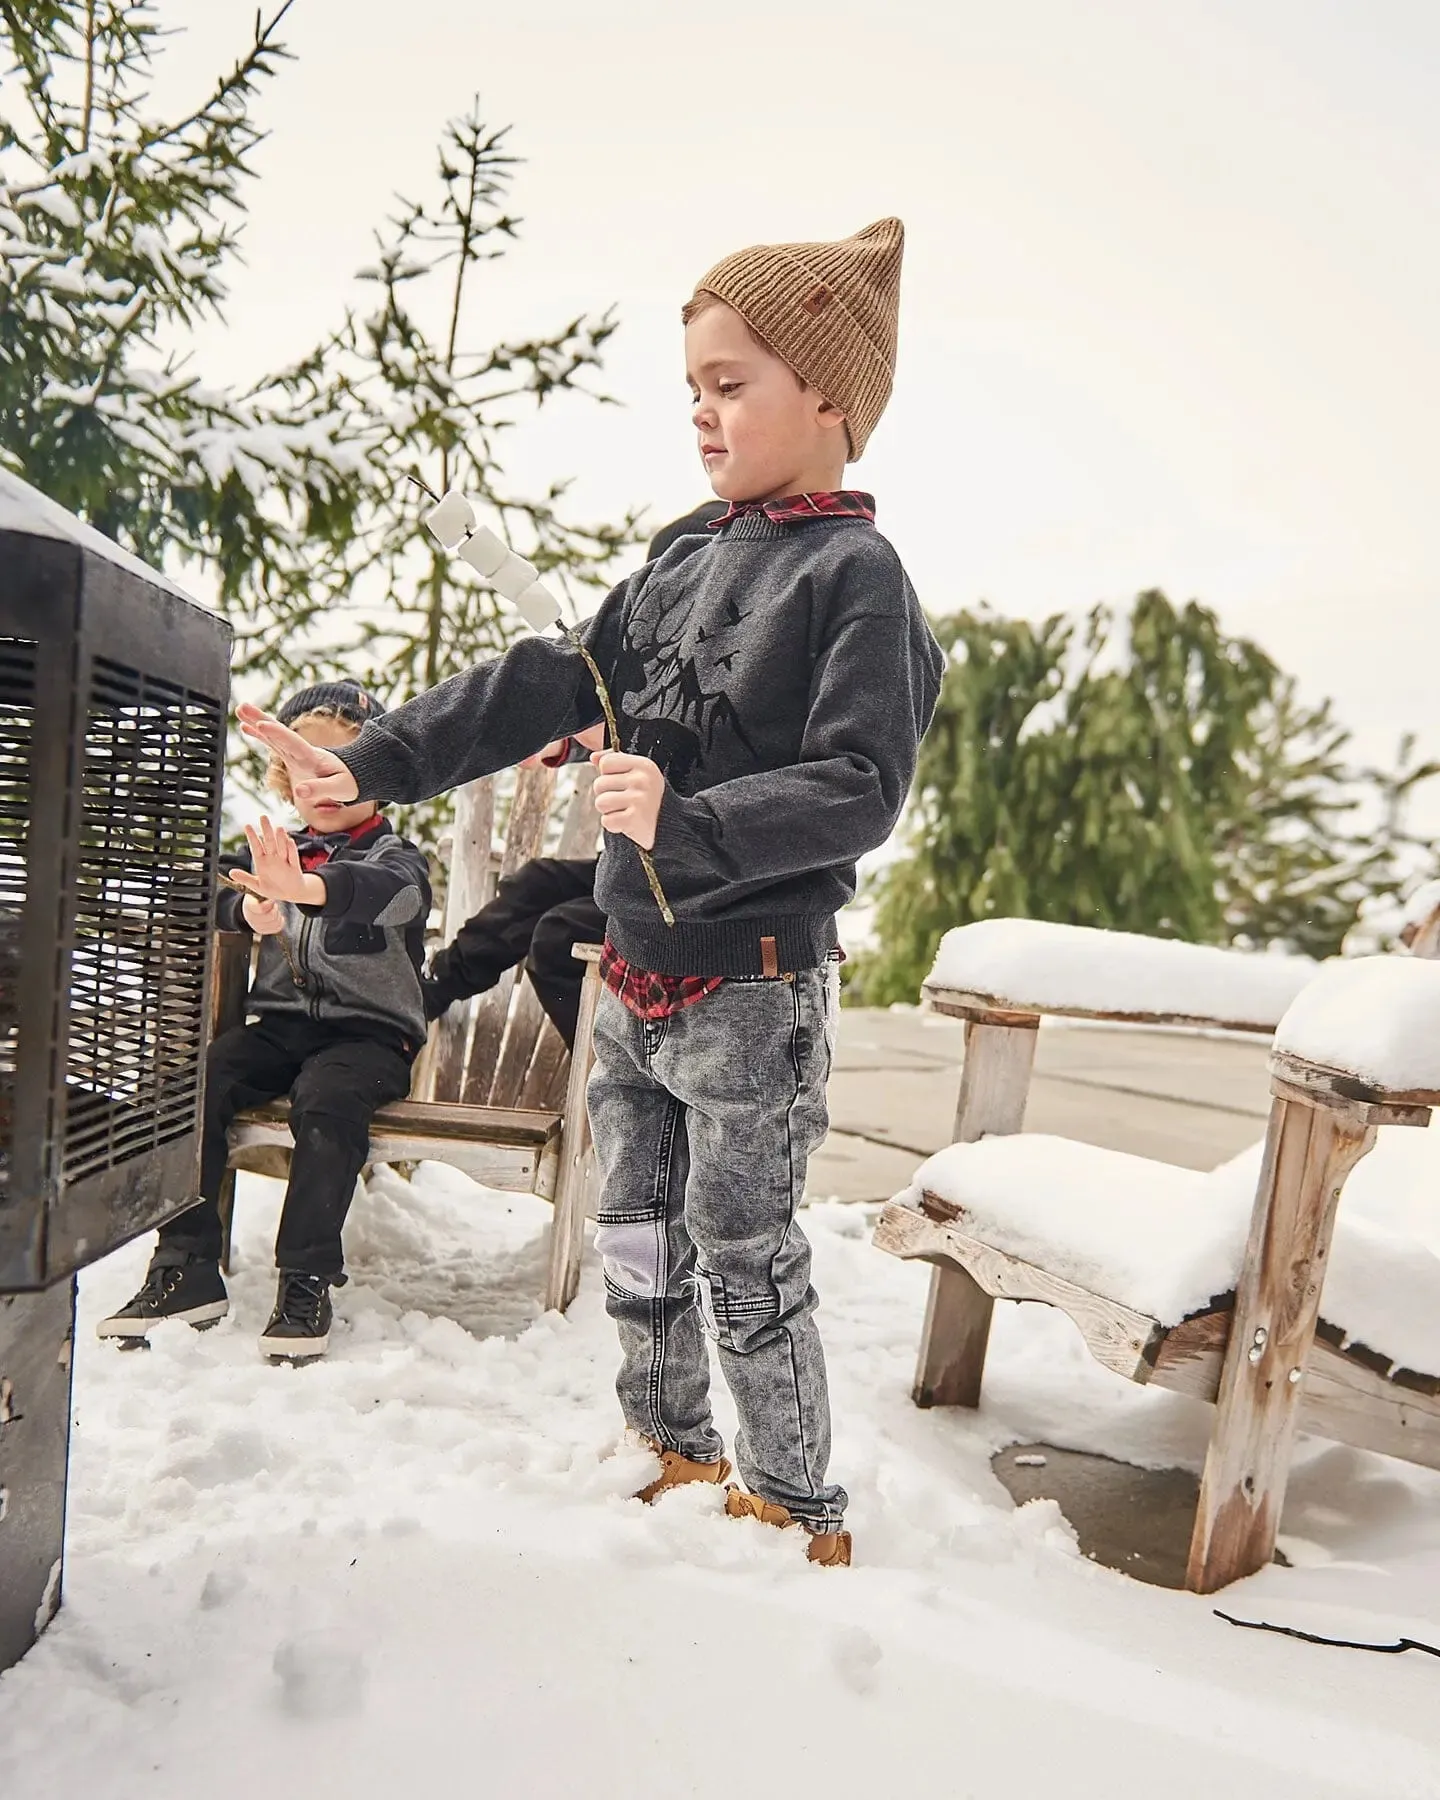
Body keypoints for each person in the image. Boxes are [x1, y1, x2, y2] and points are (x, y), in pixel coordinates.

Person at [241, 219, 943, 1562]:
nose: (701, 410)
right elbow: (542, 683)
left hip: (754, 986)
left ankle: (794, 1500)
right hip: (628, 975)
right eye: (692, 386)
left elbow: (861, 782)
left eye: (732, 384)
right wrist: (372, 763)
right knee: (632, 1226)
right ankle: (668, 1437)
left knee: (743, 1246)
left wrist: (690, 820)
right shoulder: (679, 564)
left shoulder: (855, 582)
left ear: (833, 398)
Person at [98, 681, 430, 1360]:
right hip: (280, 1027)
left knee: (327, 1100)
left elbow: (390, 897)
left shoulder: (393, 860)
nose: (320, 787)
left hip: (368, 1036)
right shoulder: (274, 852)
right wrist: (244, 910)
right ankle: (185, 1263)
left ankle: (305, 1278)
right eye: (303, 773)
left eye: (337, 769)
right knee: (202, 1082)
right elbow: (203, 885)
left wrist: (305, 889)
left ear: (376, 777)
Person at [422, 502, 726, 1047]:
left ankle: (608, 1054)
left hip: (696, 884)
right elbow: (625, 725)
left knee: (558, 936)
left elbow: (687, 750)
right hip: (639, 866)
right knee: (538, 882)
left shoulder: (731, 678)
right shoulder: (661, 667)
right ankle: (430, 989)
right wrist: (569, 742)